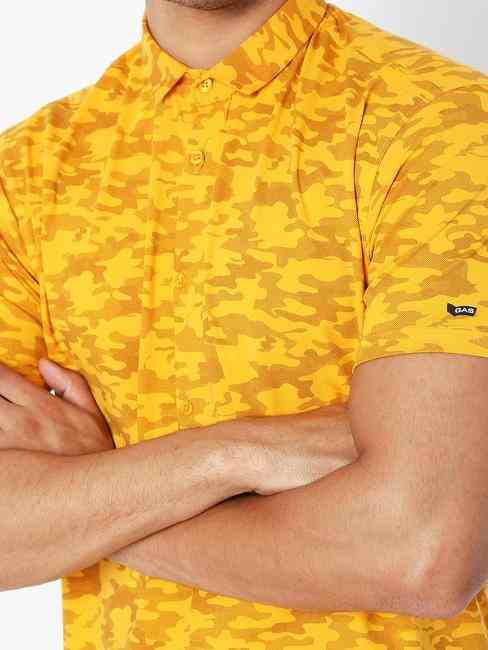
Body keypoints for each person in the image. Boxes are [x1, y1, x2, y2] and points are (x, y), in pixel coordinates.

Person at [0, 0, 487, 648]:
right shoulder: (26, 173)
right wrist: (228, 458)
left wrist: (93, 494)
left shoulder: (441, 123)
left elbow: (423, 552)